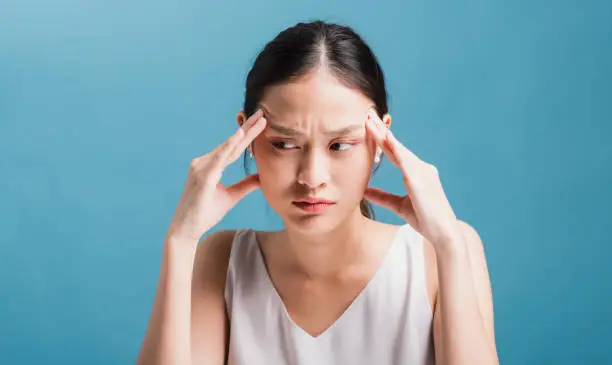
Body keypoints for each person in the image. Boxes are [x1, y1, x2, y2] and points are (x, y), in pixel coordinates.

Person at [136, 20, 499, 365]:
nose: (312, 177)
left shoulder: (446, 252)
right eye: (284, 144)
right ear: (245, 137)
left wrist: (449, 246)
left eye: (340, 145)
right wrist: (181, 241)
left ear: (379, 142)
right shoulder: (221, 261)